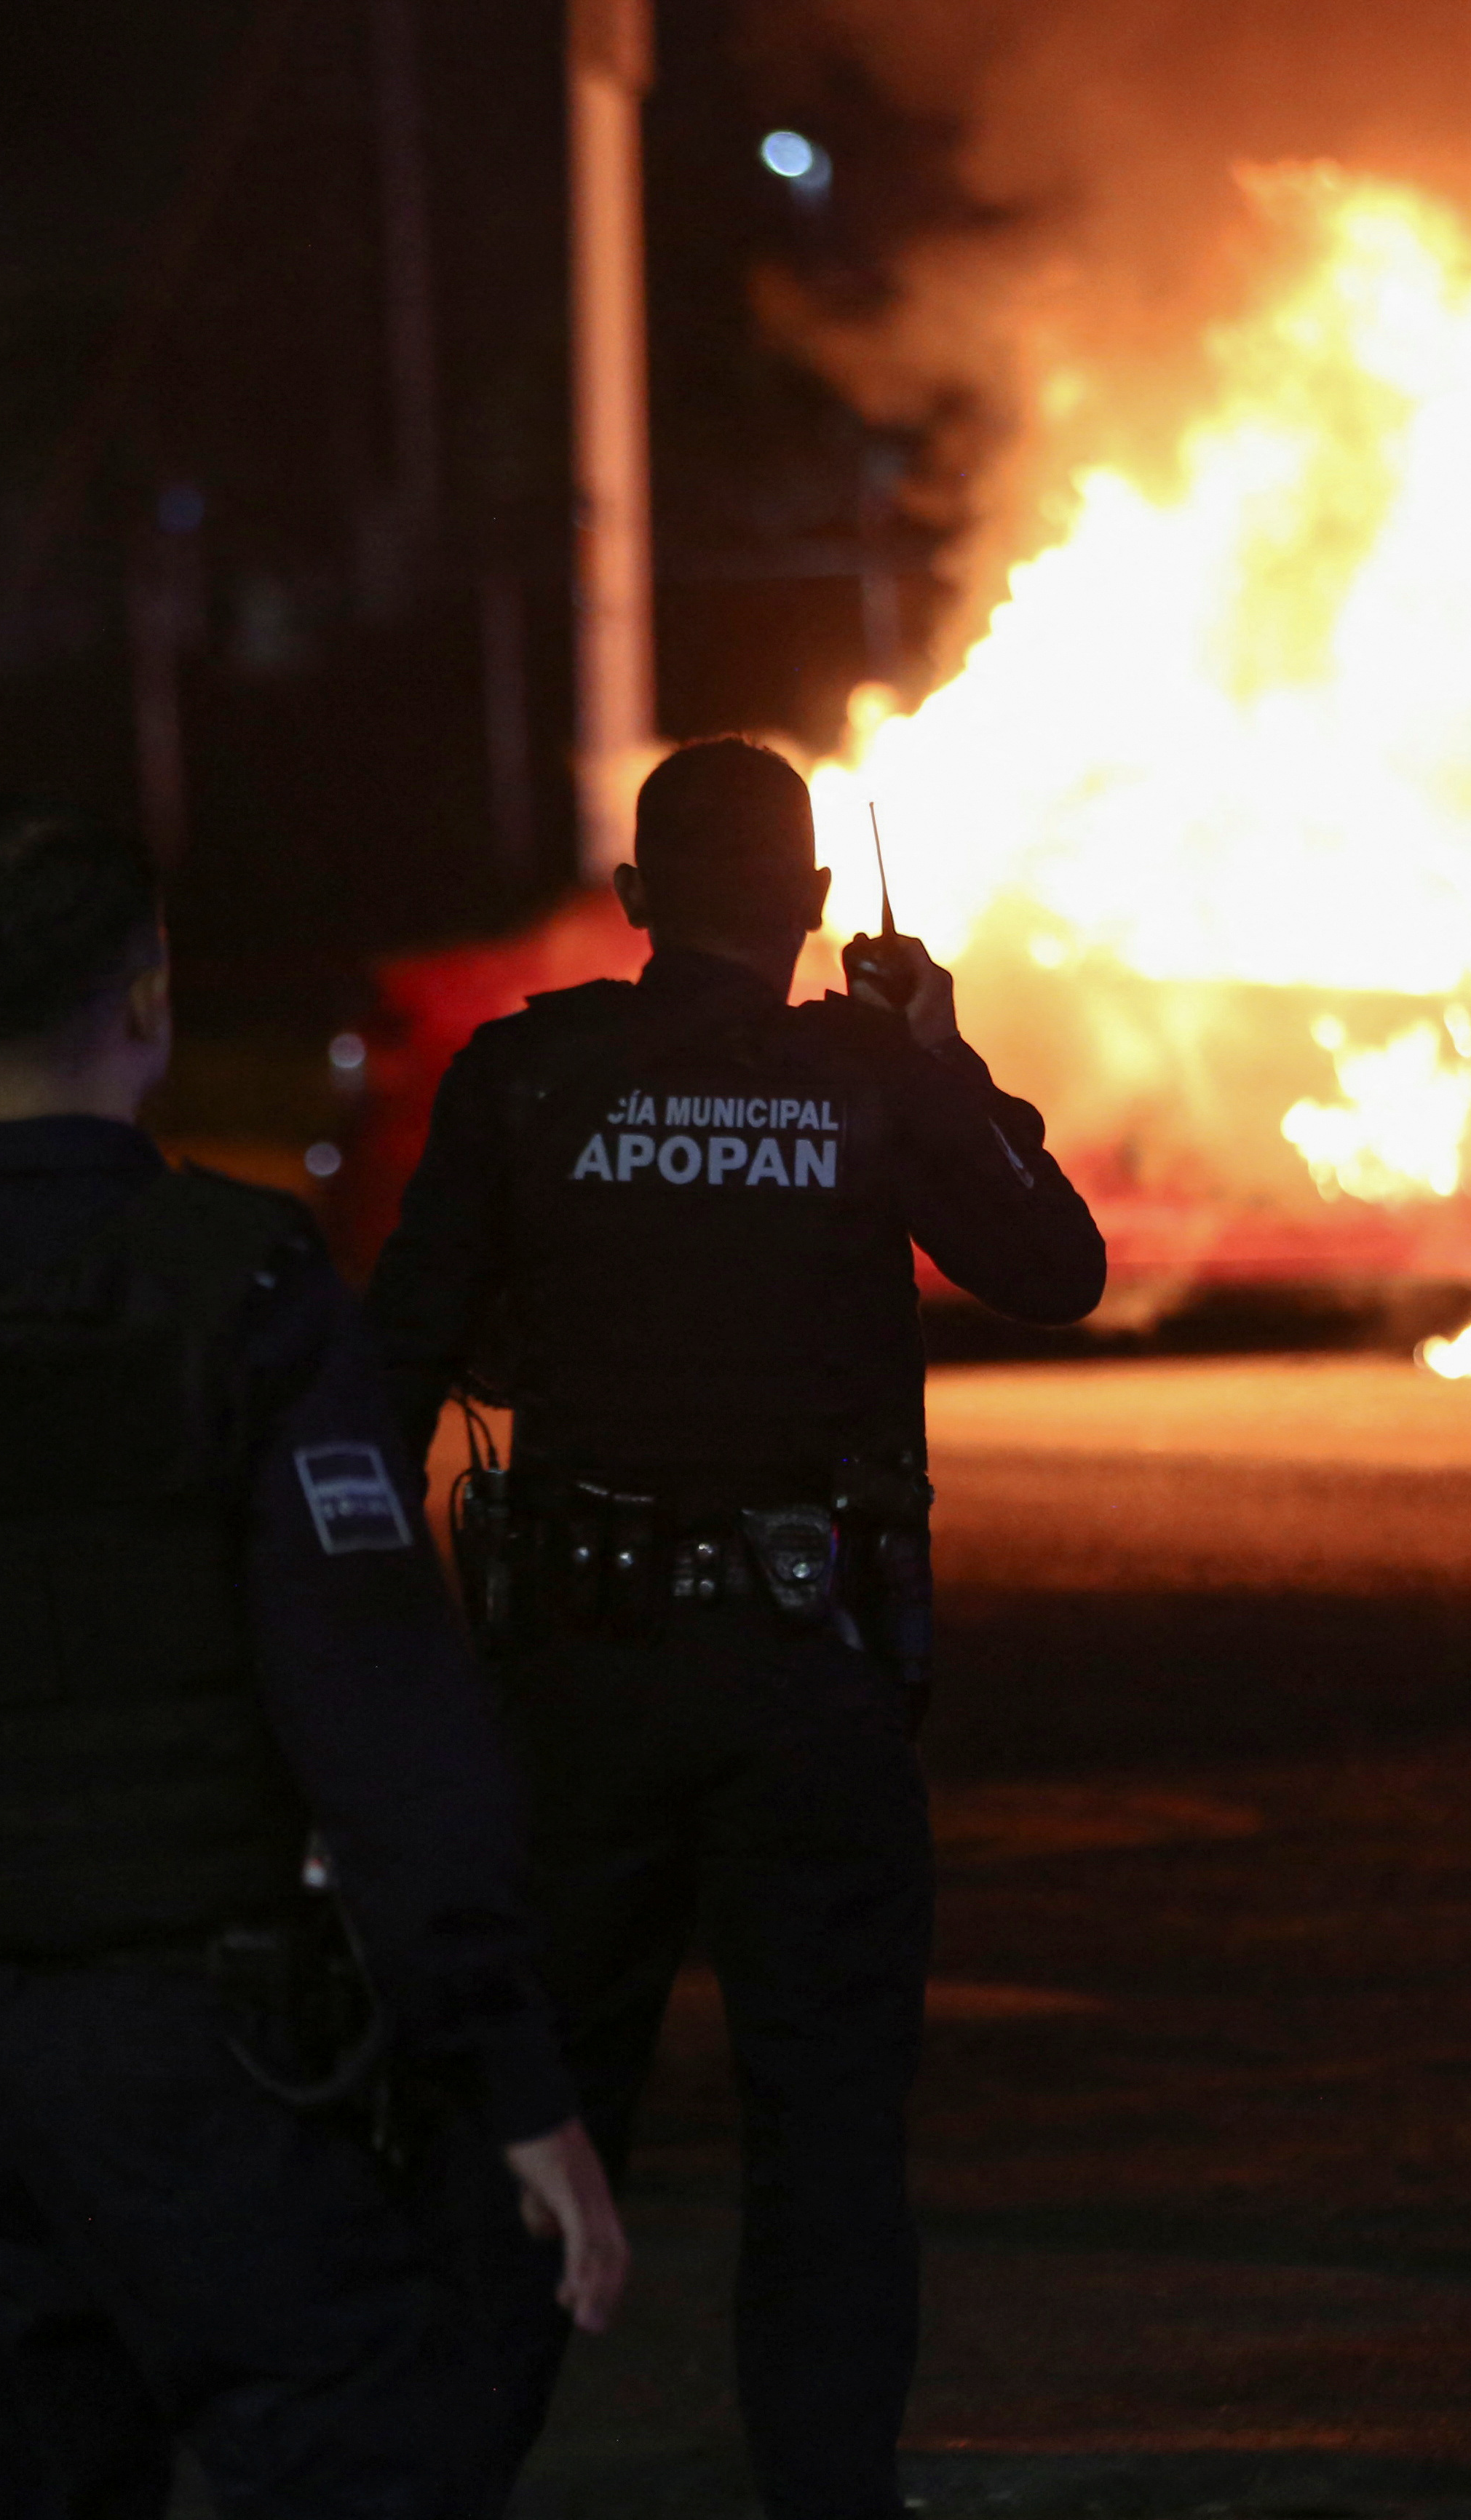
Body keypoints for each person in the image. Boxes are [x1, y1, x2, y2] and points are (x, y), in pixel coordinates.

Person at [0, 797, 626, 2519]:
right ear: (148, 996)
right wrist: (513, 2077)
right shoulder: (238, 1289)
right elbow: (384, 1729)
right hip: (219, 2074)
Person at [362, 737, 1104, 2519]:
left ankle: (442, 2481)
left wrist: (368, 1702)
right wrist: (943, 1051)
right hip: (808, 1690)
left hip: (575, 1695)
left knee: (529, 2120)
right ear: (815, 908)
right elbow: (1057, 1264)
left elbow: (385, 1377)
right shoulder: (869, 1079)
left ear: (631, 906)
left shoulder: (525, 1077)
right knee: (828, 2139)